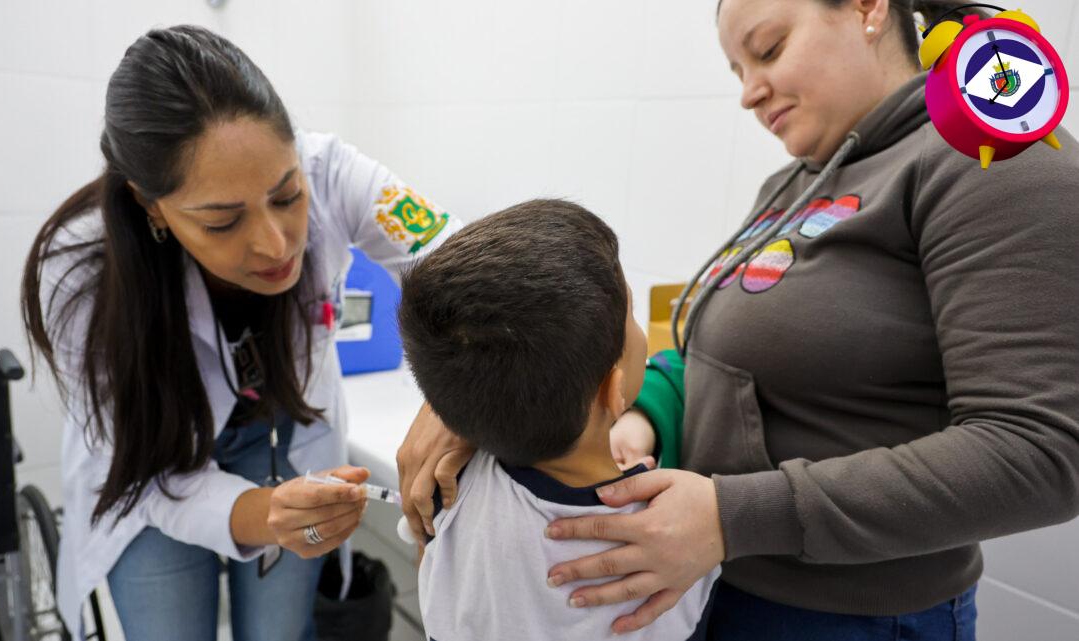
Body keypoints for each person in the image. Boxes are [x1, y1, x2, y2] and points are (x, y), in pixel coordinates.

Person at [396, 1, 1079, 639]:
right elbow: (713, 362)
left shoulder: (989, 158)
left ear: (870, 6)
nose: (749, 92)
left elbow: (1043, 450)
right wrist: (639, 418)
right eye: (737, 70)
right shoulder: (801, 180)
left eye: (769, 49)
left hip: (845, 616)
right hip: (719, 584)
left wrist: (731, 515)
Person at [20, 25, 458, 641]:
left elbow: (464, 264)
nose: (277, 245)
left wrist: (457, 405)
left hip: (286, 438)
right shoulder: (81, 273)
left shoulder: (335, 170)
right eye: (222, 222)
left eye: (288, 196)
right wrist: (264, 514)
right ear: (151, 206)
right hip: (153, 468)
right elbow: (145, 474)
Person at [397, 199, 718, 641]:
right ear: (612, 389)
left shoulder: (447, 488)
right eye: (631, 315)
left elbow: (432, 574)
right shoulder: (672, 536)